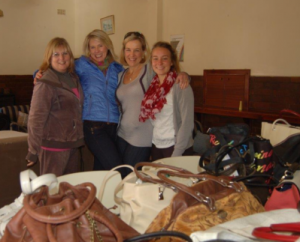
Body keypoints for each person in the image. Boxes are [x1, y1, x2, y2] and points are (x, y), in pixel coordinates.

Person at [116, 32, 190, 171]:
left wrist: (184, 75)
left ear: (144, 52)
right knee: (120, 174)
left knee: (128, 176)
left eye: (137, 50)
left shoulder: (149, 70)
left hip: (141, 136)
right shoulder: (121, 74)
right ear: (124, 51)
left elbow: (169, 72)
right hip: (123, 134)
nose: (132, 54)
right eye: (128, 50)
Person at [26, 37, 84, 176]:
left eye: (65, 53)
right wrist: (33, 150)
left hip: (73, 145)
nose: (61, 58)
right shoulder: (45, 82)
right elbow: (36, 119)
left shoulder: (73, 78)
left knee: (70, 191)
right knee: (51, 192)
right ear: (49, 57)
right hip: (53, 147)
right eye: (56, 54)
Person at [75, 29, 124, 172]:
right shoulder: (81, 65)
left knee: (103, 170)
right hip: (93, 125)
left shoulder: (117, 68)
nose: (97, 51)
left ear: (107, 46)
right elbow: (58, 69)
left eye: (100, 45)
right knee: (118, 169)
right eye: (92, 47)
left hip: (115, 126)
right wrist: (38, 73)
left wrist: (182, 75)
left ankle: (98, 194)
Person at [139, 41, 194, 161]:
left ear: (172, 61)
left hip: (176, 148)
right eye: (155, 58)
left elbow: (187, 123)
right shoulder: (151, 86)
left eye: (164, 58)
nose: (159, 63)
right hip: (156, 146)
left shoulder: (181, 86)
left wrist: (177, 154)